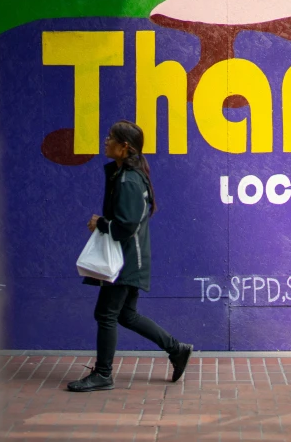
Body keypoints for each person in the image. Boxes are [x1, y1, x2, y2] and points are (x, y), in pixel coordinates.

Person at [68, 121, 193, 392]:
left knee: (106, 314)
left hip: (125, 260)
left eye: (111, 137)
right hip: (130, 258)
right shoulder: (126, 174)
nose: (106, 140)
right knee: (125, 314)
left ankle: (103, 374)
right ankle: (176, 349)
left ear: (124, 147)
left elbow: (127, 224)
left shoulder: (128, 179)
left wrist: (100, 223)